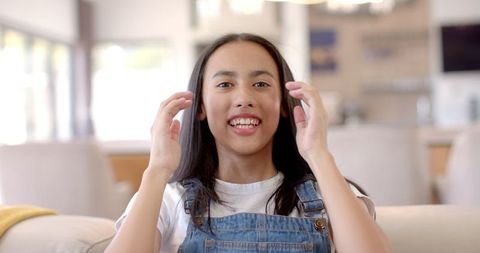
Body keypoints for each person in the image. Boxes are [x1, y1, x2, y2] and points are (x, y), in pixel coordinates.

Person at [105, 33, 391, 253]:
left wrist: (319, 155)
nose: (244, 98)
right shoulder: (168, 200)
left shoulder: (328, 194)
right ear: (200, 107)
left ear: (283, 104)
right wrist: (157, 170)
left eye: (261, 84)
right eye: (225, 84)